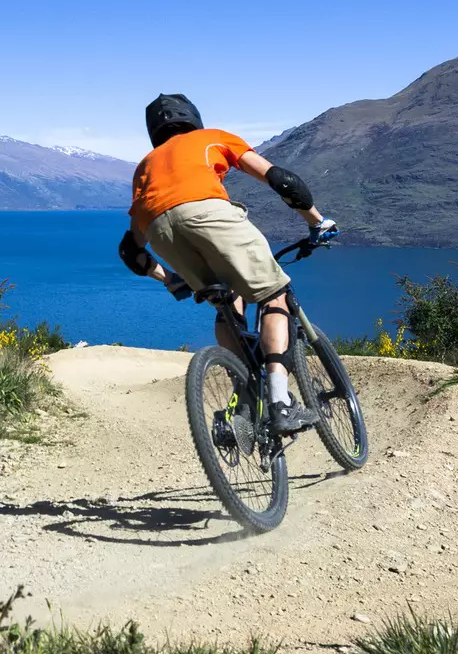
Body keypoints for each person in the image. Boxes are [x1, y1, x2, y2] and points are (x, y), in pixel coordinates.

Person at [117, 93, 336, 434]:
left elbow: (131, 251)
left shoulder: (144, 166)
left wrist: (169, 278)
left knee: (226, 303)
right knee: (273, 296)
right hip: (209, 214)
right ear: (193, 117)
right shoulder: (213, 138)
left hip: (158, 229)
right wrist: (316, 222)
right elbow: (283, 180)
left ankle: (245, 385)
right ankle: (280, 402)